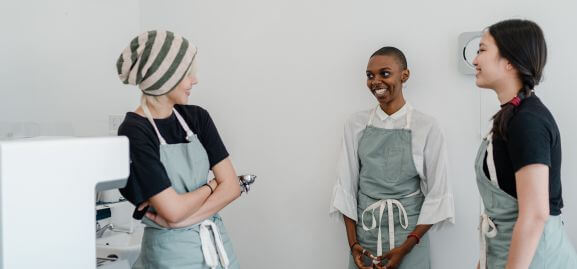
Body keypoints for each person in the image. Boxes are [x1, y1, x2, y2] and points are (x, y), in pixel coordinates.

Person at [116, 30, 241, 269]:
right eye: (187, 74)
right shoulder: (135, 130)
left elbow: (233, 187)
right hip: (170, 257)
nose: (195, 80)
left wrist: (179, 221)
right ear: (164, 77)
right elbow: (172, 210)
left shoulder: (197, 117)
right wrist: (212, 185)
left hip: (217, 249)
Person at [329, 46, 455, 269]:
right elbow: (346, 188)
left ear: (404, 75)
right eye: (370, 75)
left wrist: (406, 247)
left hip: (410, 238)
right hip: (365, 238)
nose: (375, 81)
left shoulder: (426, 126)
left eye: (384, 73)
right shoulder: (355, 124)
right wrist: (353, 244)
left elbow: (438, 194)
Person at [472, 19, 577, 268]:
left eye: (482, 50)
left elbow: (535, 213)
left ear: (509, 62)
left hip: (537, 259)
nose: (475, 60)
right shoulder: (511, 116)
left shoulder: (528, 120)